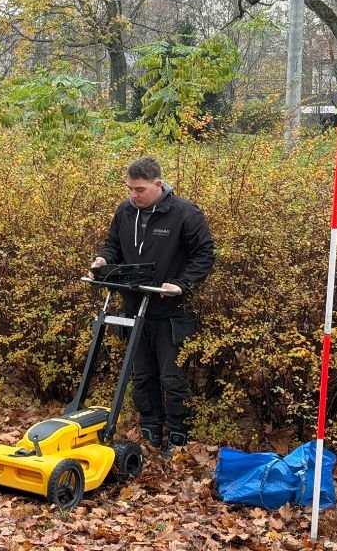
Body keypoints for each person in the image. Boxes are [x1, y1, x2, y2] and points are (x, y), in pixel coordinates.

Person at [90, 156, 214, 458]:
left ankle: (178, 436)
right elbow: (113, 245)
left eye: (140, 189)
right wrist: (104, 260)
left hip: (170, 310)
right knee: (141, 376)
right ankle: (150, 433)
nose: (134, 195)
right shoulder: (125, 211)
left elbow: (204, 254)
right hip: (134, 306)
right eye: (130, 188)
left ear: (158, 185)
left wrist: (182, 283)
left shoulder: (184, 213)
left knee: (171, 377)